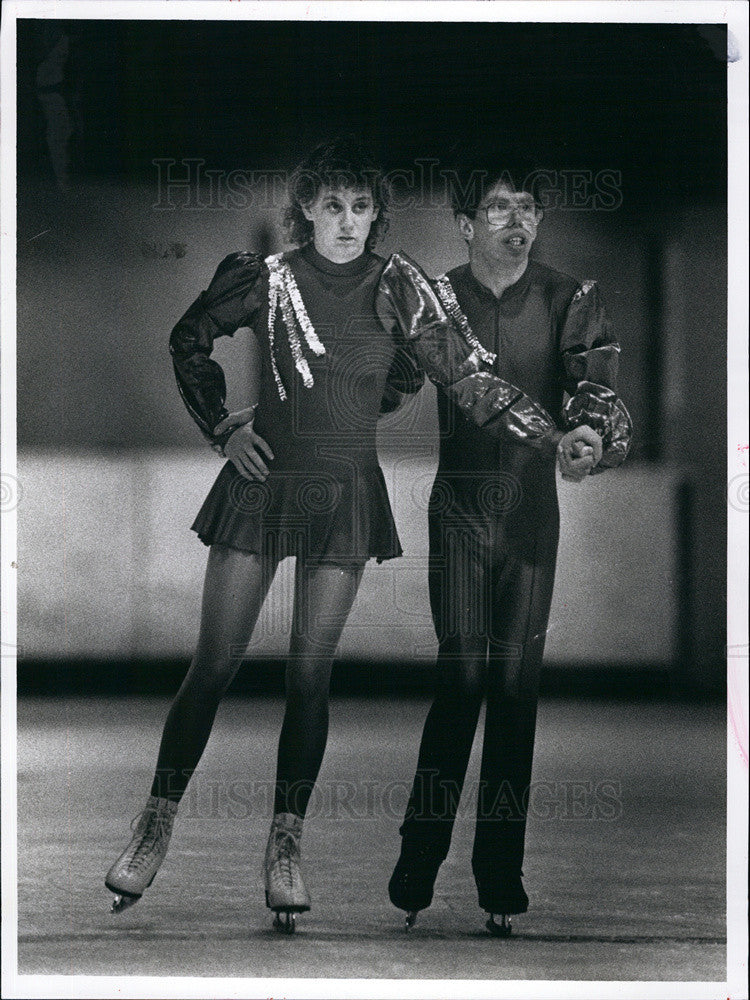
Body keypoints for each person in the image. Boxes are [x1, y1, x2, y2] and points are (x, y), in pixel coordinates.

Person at [103, 136, 598, 933]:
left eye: (362, 206)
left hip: (344, 497)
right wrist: (222, 431)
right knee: (214, 666)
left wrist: (551, 437)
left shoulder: (401, 284)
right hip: (262, 487)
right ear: (305, 208)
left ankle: (285, 850)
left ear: (378, 214)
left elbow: (467, 379)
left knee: (309, 676)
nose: (347, 220)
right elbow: (188, 339)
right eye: (332, 205)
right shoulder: (264, 280)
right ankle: (153, 826)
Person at [387, 156, 632, 936]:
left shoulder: (569, 296)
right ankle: (419, 855)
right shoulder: (438, 301)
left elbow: (592, 389)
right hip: (458, 512)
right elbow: (391, 383)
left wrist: (590, 434)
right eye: (498, 208)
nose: (517, 220)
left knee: (516, 692)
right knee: (461, 678)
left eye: (528, 207)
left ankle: (499, 872)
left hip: (531, 518)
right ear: (466, 225)